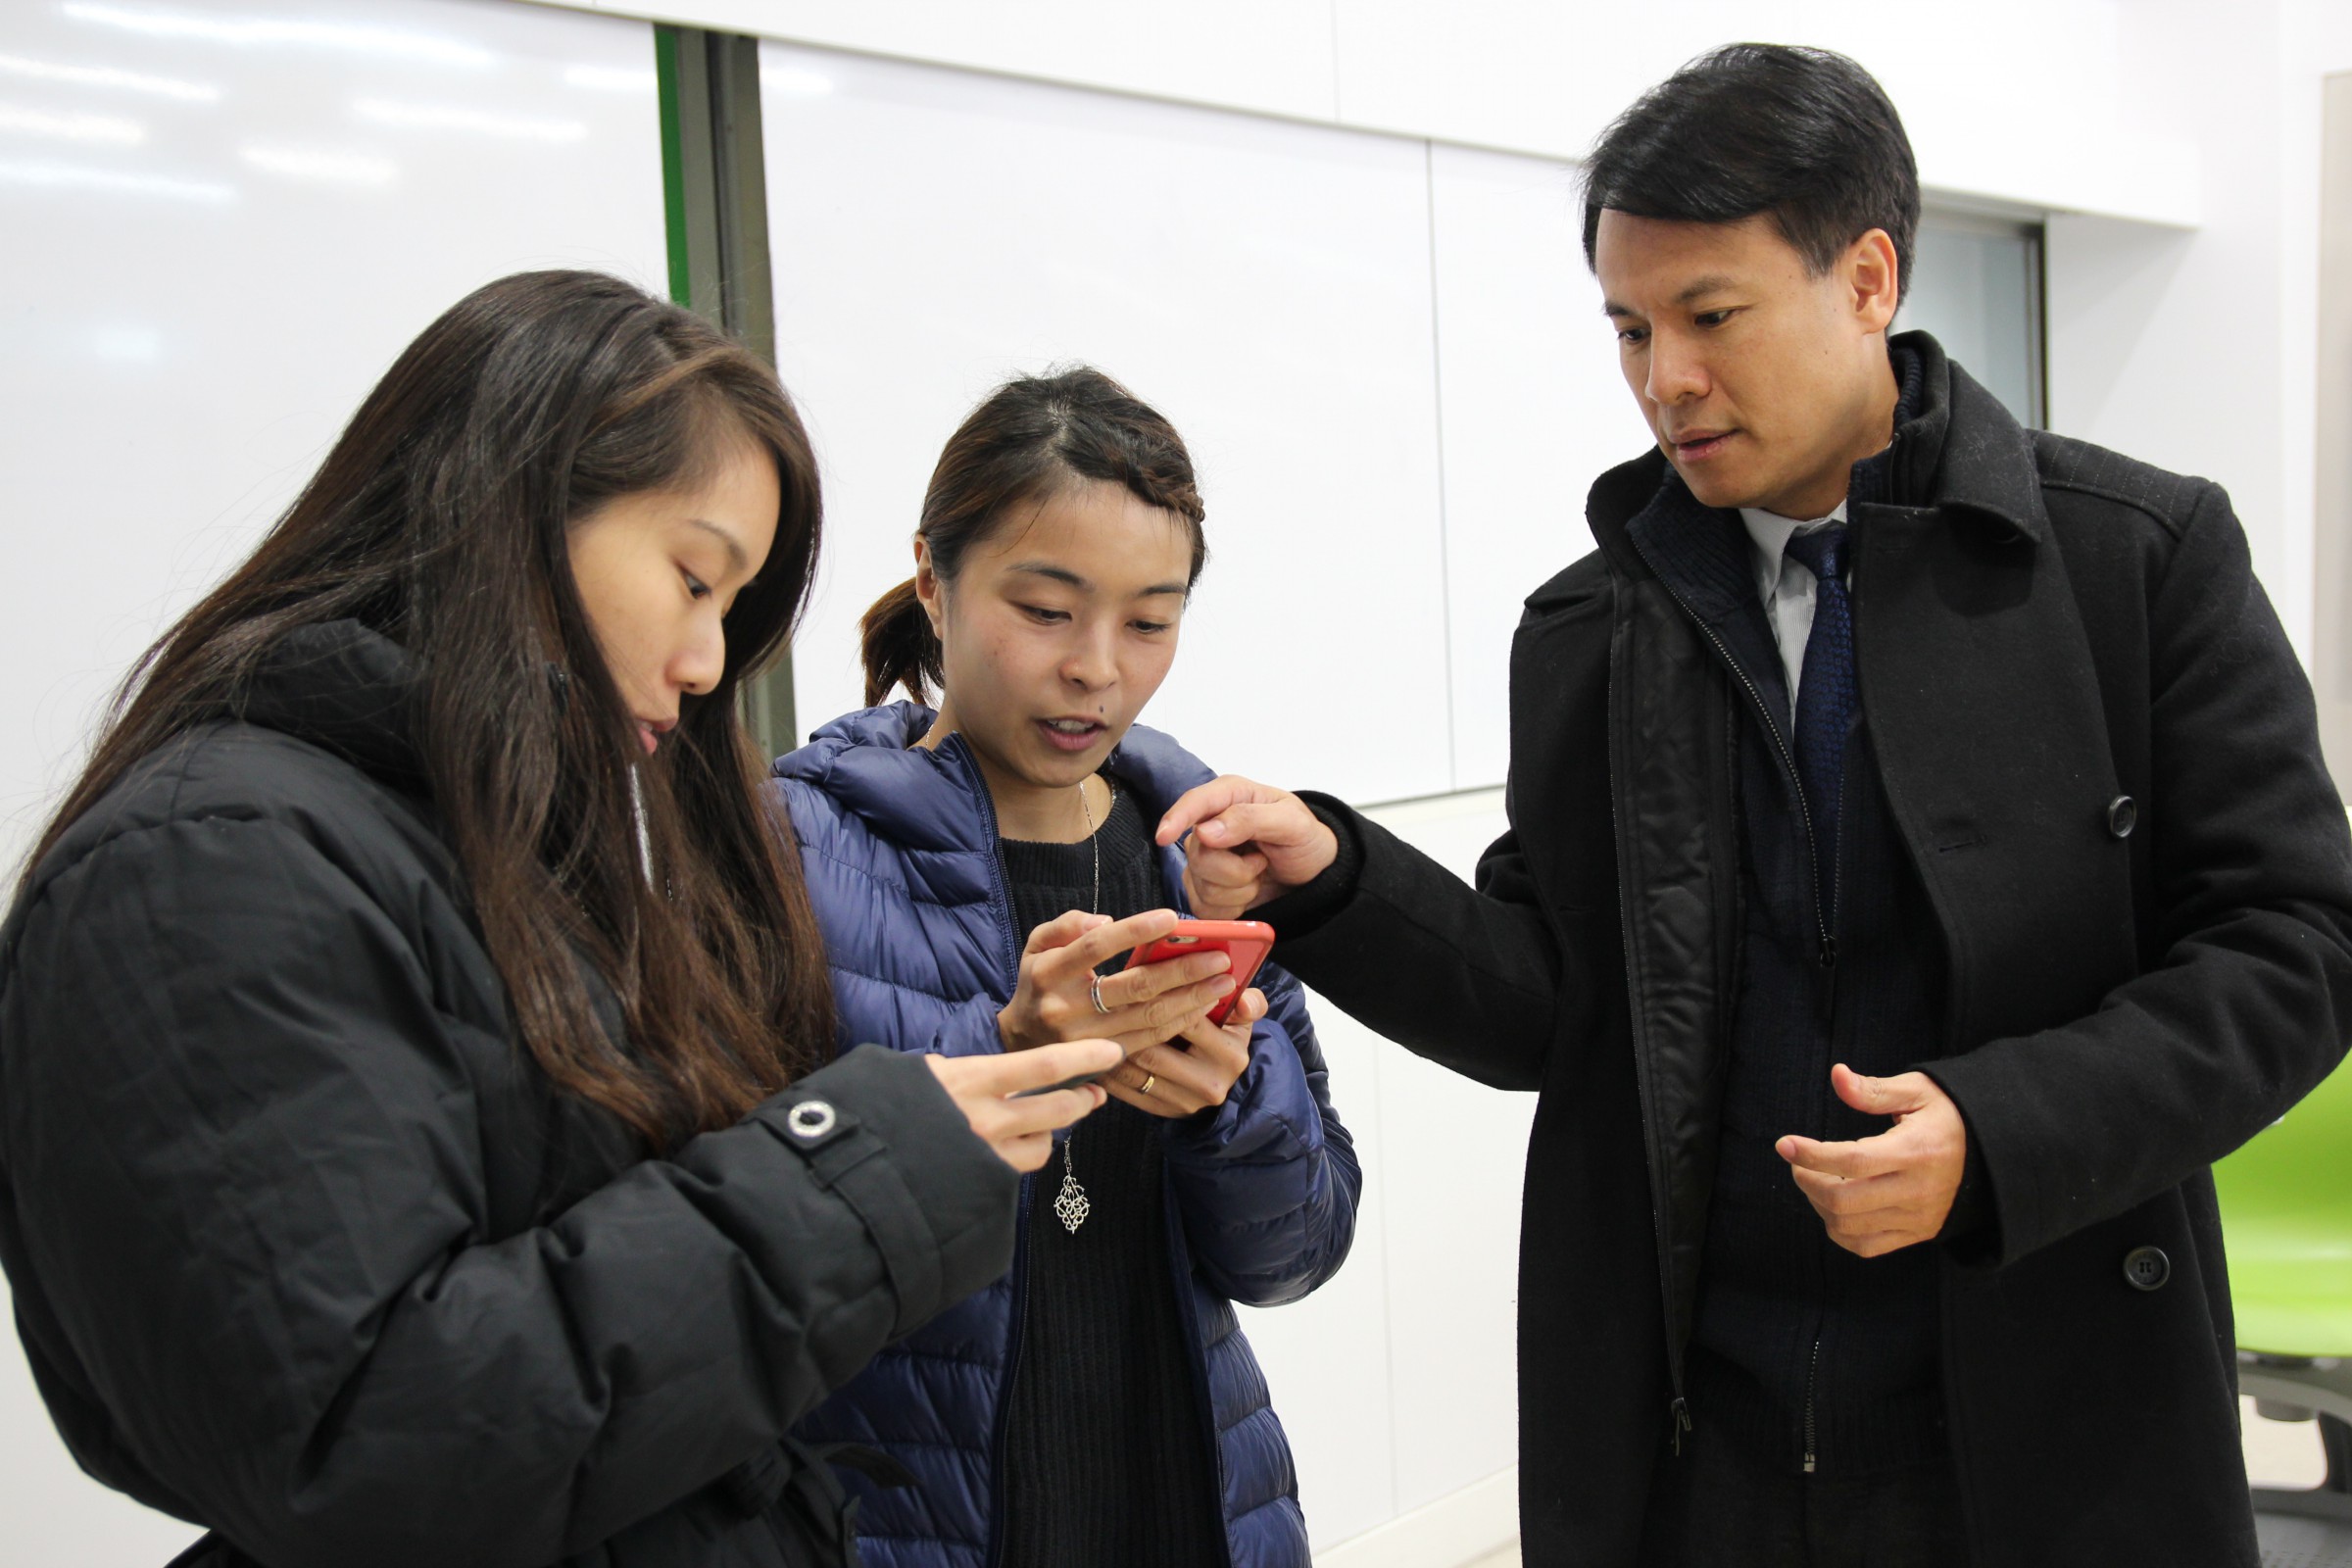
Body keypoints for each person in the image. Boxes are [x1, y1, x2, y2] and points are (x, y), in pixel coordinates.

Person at [1158, 43, 2352, 1568]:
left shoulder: (2136, 558)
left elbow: (2295, 944)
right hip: (1692, 1445)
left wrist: (1999, 1134)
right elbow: (1551, 1009)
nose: (1666, 379)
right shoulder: (1591, 627)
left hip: (2041, 1425)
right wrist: (1336, 878)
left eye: (1710, 316)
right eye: (1630, 328)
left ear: (1867, 280)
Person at [0, 270, 1122, 1568]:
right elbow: (363, 1440)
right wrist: (855, 1170)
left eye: (730, 609)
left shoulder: (492, 852)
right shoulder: (204, 870)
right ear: (507, 510)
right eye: (693, 579)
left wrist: (972, 1092)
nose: (707, 663)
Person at [770, 367, 1359, 1567]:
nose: (1098, 667)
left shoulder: (1202, 859)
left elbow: (1295, 1254)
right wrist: (1003, 1056)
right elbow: (738, 1252)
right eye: (1046, 609)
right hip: (913, 1525)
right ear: (932, 579)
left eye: (1149, 622)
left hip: (1193, 1506)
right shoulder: (796, 849)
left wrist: (1230, 1103)